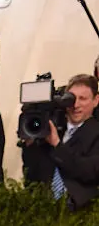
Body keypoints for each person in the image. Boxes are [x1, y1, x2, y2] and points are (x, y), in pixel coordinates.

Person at [21, 74, 99, 211]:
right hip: (41, 208)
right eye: (71, 99)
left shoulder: (95, 133)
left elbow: (89, 172)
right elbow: (31, 173)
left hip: (79, 211)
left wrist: (57, 145)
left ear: (96, 100)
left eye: (83, 99)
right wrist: (30, 142)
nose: (76, 105)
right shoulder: (49, 128)